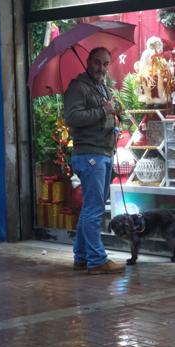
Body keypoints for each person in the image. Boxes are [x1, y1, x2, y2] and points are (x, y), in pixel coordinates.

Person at [64, 47, 124, 275]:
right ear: (88, 62)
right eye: (98, 62)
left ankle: (81, 257)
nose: (102, 68)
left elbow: (104, 114)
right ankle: (97, 260)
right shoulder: (78, 88)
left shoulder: (102, 88)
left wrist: (112, 116)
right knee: (95, 208)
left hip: (103, 152)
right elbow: (72, 117)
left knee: (91, 207)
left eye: (106, 63)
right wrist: (102, 110)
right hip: (90, 155)